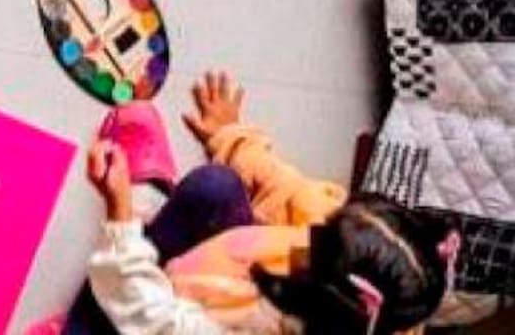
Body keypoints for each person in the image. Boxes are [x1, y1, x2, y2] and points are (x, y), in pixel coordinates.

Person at [74, 72, 455, 335]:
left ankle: (128, 245)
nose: (320, 220)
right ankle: (141, 237)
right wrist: (230, 134)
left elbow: (154, 320)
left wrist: (119, 212)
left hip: (170, 318)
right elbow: (287, 187)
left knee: (118, 304)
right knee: (217, 187)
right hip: (212, 281)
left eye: (319, 235)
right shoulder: (383, 291)